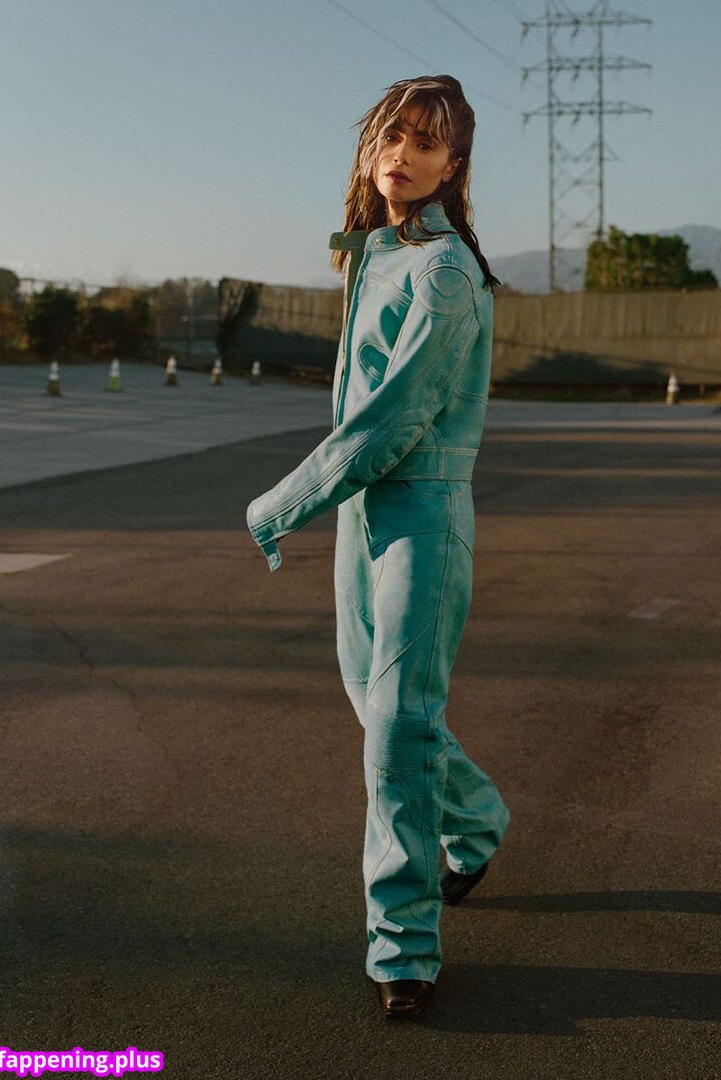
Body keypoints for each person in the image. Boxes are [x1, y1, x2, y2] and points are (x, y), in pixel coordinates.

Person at [246, 75, 510, 1019]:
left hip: (420, 515)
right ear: (369, 147)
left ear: (452, 166)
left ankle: (402, 944)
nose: (401, 153)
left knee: (398, 726)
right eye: (390, 135)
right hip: (362, 514)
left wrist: (280, 504)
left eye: (425, 142)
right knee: (379, 704)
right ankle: (478, 821)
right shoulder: (373, 254)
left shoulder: (443, 271)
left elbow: (392, 423)